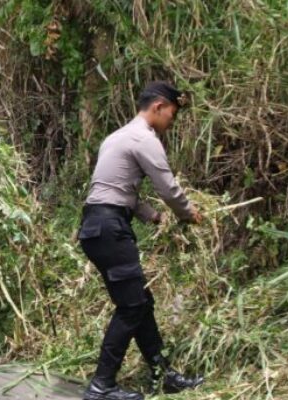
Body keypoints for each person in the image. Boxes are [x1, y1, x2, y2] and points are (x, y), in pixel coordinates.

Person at [78, 81, 205, 400]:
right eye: (172, 114)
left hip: (99, 226)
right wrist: (188, 213)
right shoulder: (144, 139)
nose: (171, 122)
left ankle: (164, 375)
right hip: (109, 228)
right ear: (159, 106)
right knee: (132, 306)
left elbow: (121, 193)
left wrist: (155, 217)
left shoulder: (117, 137)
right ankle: (101, 385)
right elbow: (167, 187)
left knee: (140, 303)